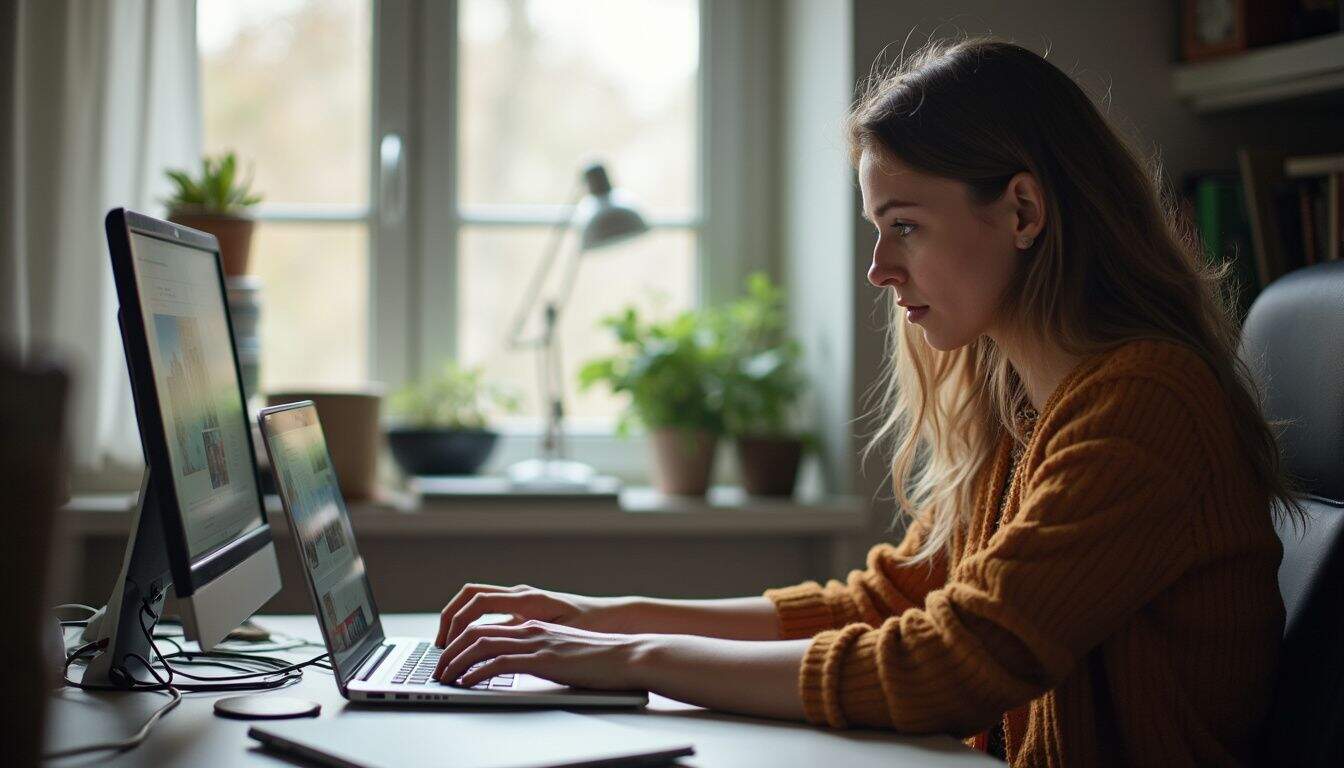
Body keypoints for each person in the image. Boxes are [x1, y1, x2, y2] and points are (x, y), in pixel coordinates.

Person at [431, 38, 1301, 766]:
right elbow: (890, 603)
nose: (881, 270)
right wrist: (596, 618)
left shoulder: (1146, 405)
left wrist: (630, 660)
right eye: (876, 231)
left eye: (906, 225)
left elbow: (952, 659)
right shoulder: (1025, 402)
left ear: (1024, 210)